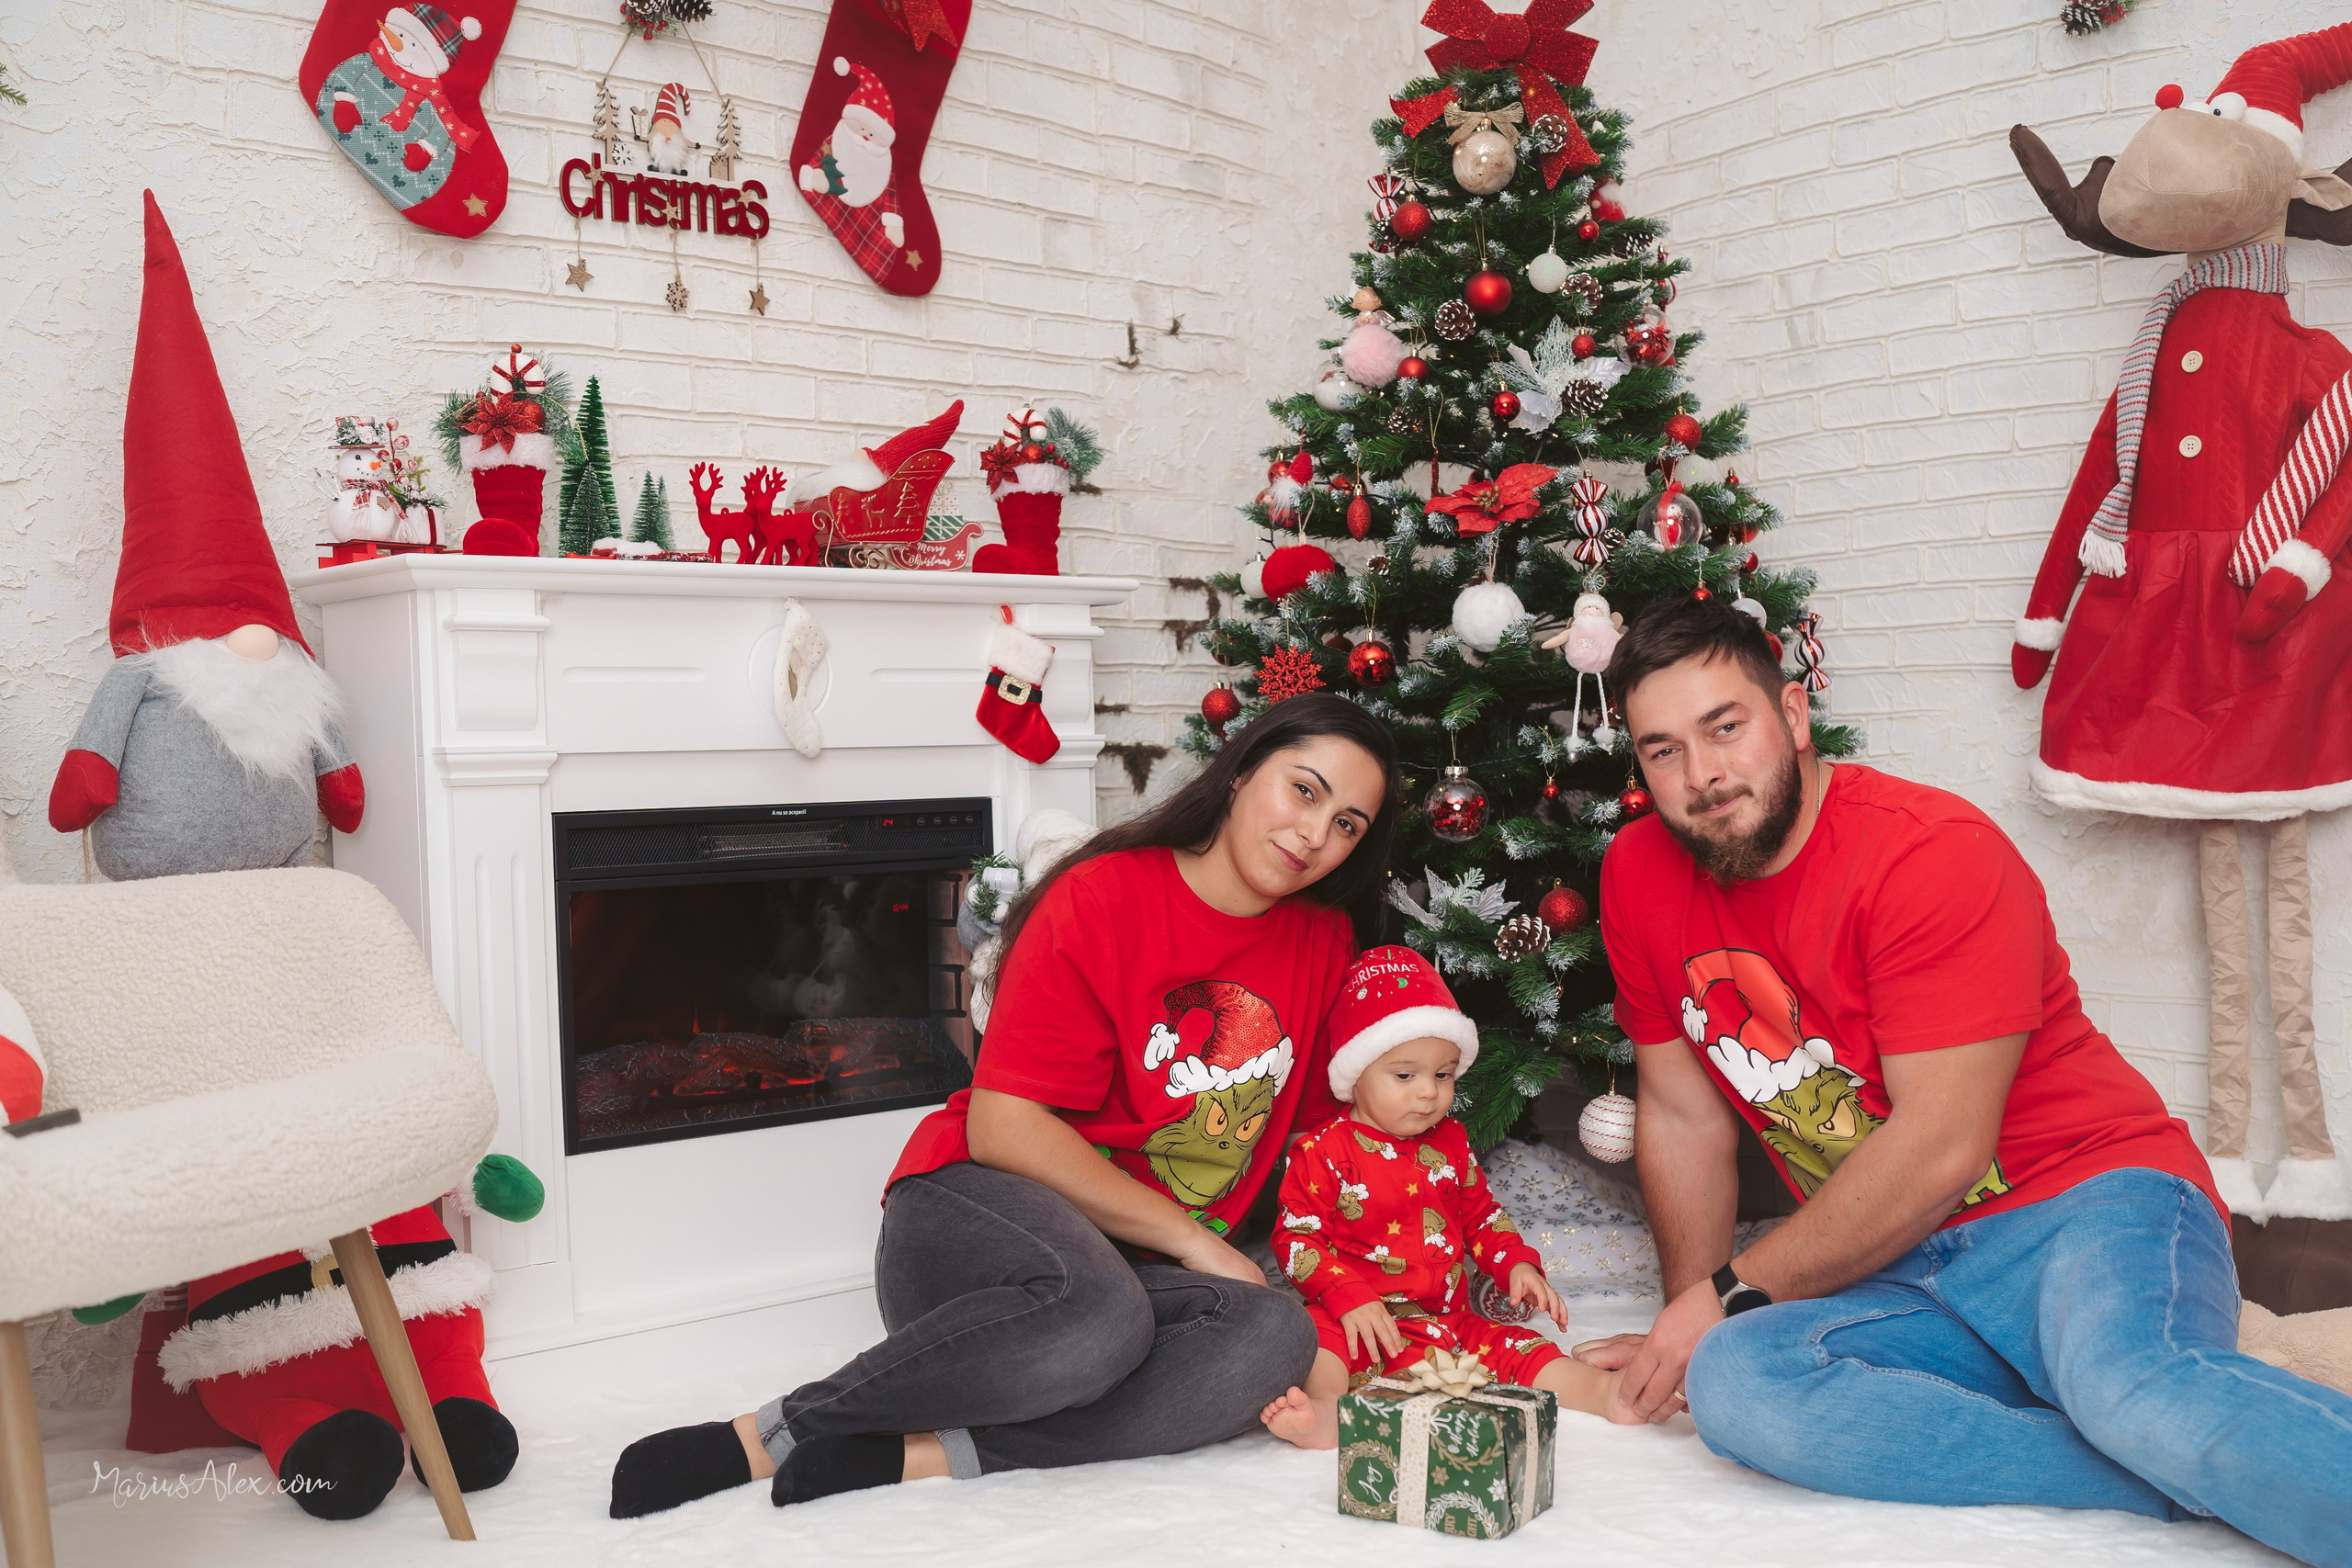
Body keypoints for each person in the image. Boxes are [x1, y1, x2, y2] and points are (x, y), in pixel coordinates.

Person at [1570, 595, 2352, 1566]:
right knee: (1742, 1385)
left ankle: (2150, 1425)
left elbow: (1943, 1148)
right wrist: (1692, 1316)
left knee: (2128, 1386)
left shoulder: (1925, 852)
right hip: (1896, 1257)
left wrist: (1729, 1289)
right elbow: (1683, 1115)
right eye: (1662, 750)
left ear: (1794, 716)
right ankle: (2166, 1472)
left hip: (2088, 1201)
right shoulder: (1638, 873)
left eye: (1724, 728)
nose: (1703, 774)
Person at [608, 693, 1400, 1517]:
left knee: (1273, 1335)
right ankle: (772, 1433)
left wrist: (1348, 1279)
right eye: (1304, 791)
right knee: (1098, 1317)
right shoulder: (1100, 897)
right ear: (1240, 773)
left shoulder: (1322, 939)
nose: (1316, 834)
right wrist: (1196, 1241)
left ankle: (922, 1453)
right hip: (978, 1229)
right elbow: (1003, 1125)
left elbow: (1315, 1140)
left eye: (1348, 823)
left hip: (1137, 1276)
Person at [1258, 946, 1631, 1450]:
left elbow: (1481, 1215)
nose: (1429, 1093)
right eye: (1405, 1075)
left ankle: (1605, 1392)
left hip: (1447, 1318)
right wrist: (1347, 1297)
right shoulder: (1322, 1151)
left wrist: (1517, 1266)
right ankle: (1330, 1412)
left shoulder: (1450, 1141)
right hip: (1360, 1316)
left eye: (1444, 1074)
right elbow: (1297, 1241)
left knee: (1517, 1347)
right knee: (1321, 1340)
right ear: (1355, 1074)